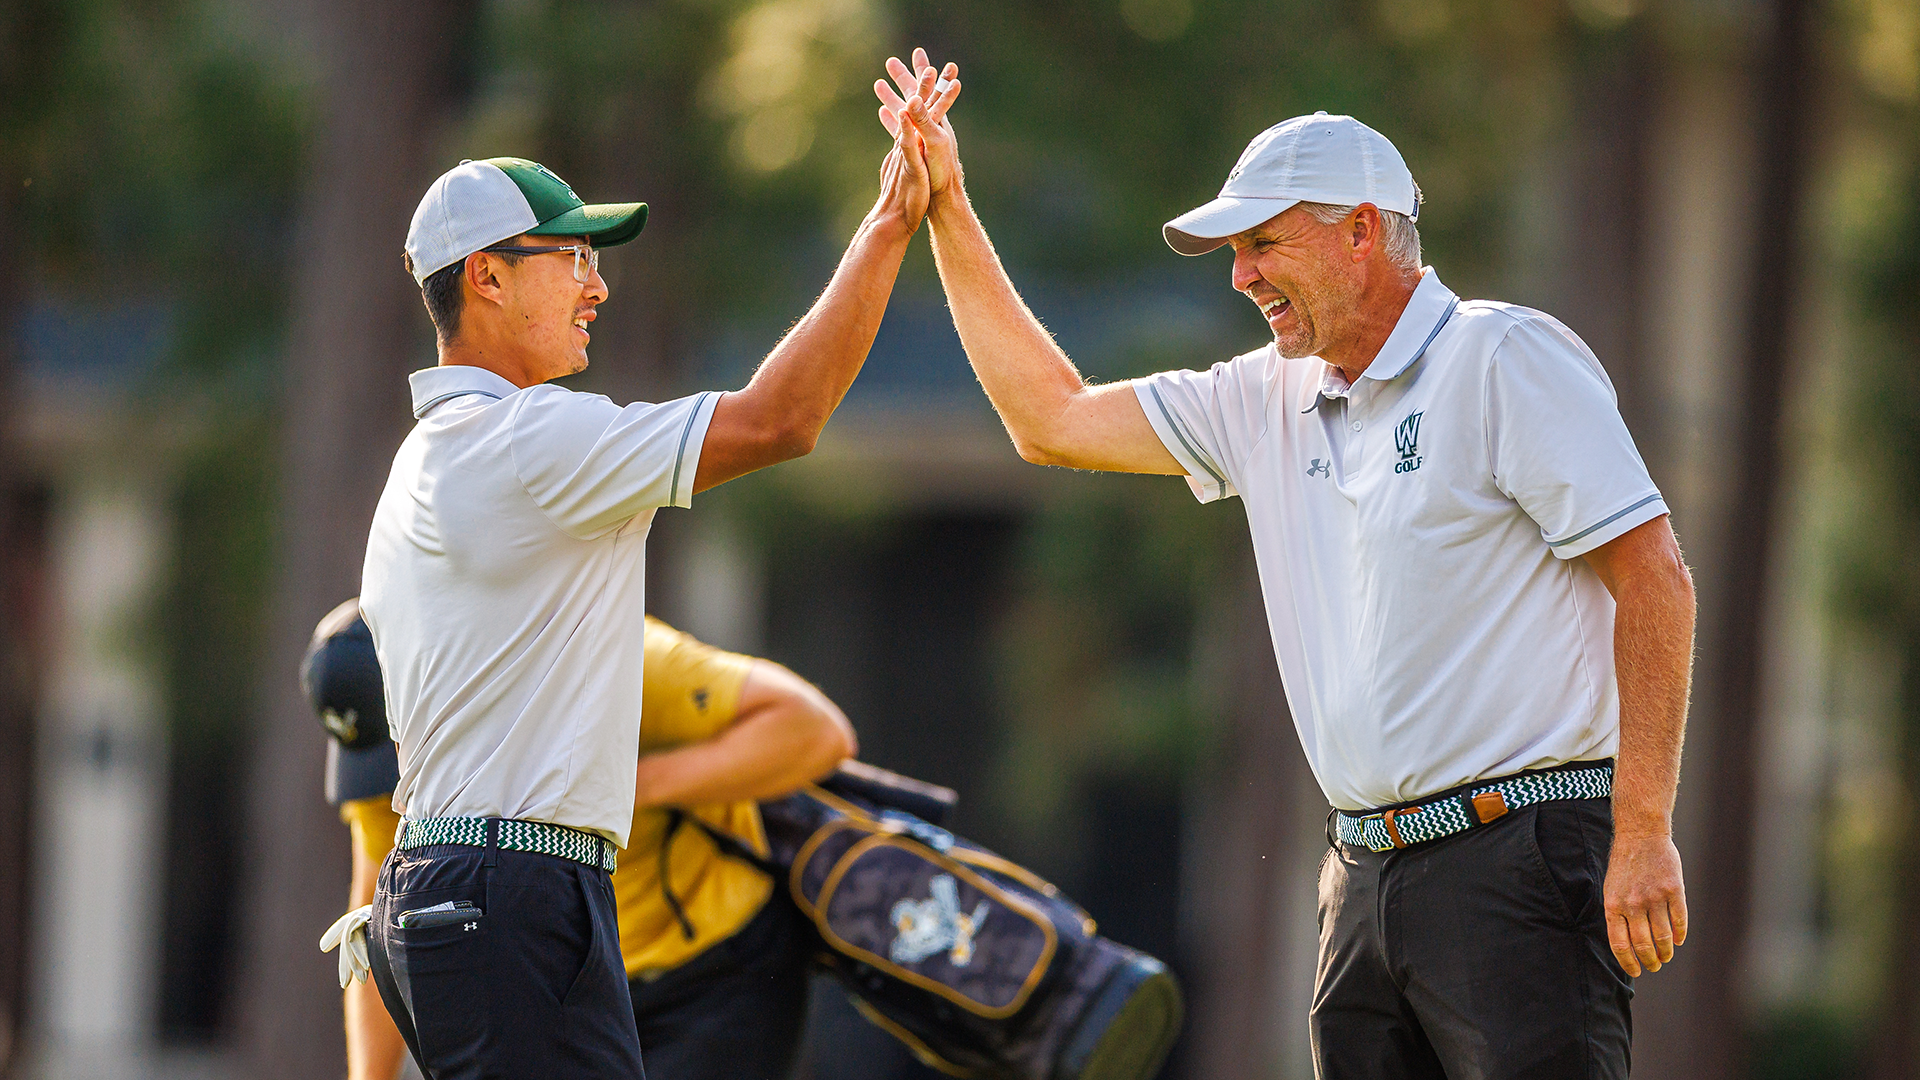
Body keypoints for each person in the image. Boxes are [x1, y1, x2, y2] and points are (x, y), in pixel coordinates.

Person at [877, 55, 1695, 1079]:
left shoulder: (1504, 359)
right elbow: (1050, 420)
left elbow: (1654, 575)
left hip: (1522, 862)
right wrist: (948, 207)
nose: (1240, 274)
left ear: (1361, 230)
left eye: (1265, 242)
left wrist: (1644, 832)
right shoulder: (1265, 395)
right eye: (1234, 249)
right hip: (1361, 877)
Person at [357, 103, 955, 1079]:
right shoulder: (523, 442)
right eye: (573, 257)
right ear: (488, 276)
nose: (598, 286)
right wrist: (889, 227)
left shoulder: (433, 455)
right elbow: (780, 422)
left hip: (492, 884)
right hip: (509, 888)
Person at [310, 599, 856, 1080]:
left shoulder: (606, 658)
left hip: (718, 965)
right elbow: (374, 917)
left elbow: (816, 732)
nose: (403, 778)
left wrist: (617, 784)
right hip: (581, 981)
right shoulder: (392, 784)